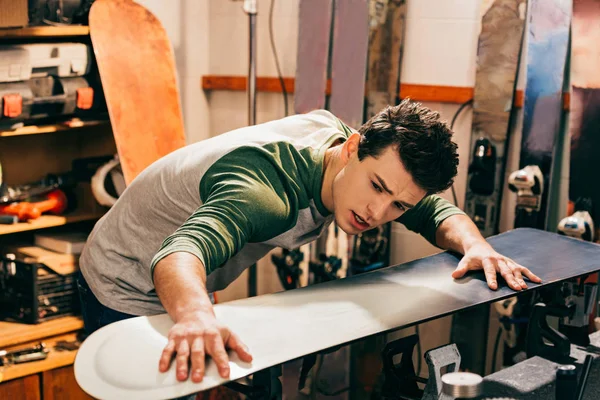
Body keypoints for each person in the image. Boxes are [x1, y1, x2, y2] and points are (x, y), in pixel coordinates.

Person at [77, 99, 541, 385]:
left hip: (184, 274)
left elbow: (435, 211)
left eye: (397, 206)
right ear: (352, 148)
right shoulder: (266, 195)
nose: (376, 214)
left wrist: (477, 245)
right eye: (377, 189)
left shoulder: (366, 162)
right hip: (127, 276)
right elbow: (180, 252)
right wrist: (197, 315)